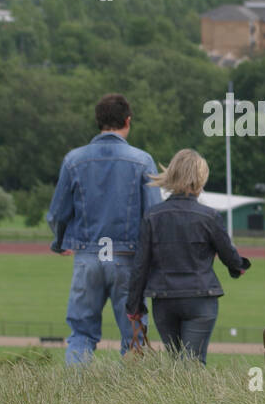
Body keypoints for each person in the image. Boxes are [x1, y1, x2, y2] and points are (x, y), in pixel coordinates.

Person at [47, 93, 162, 365]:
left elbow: (57, 213)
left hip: (88, 256)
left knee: (81, 334)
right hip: (128, 260)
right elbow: (153, 216)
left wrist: (60, 242)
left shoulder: (74, 160)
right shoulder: (142, 161)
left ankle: (76, 392)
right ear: (128, 121)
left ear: (98, 121)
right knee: (134, 335)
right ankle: (131, 398)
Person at [125, 149, 250, 364]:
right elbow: (229, 256)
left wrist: (134, 306)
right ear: (200, 178)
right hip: (200, 298)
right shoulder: (209, 217)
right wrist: (239, 267)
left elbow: (141, 265)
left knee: (176, 364)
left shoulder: (152, 216)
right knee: (192, 363)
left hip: (164, 301)